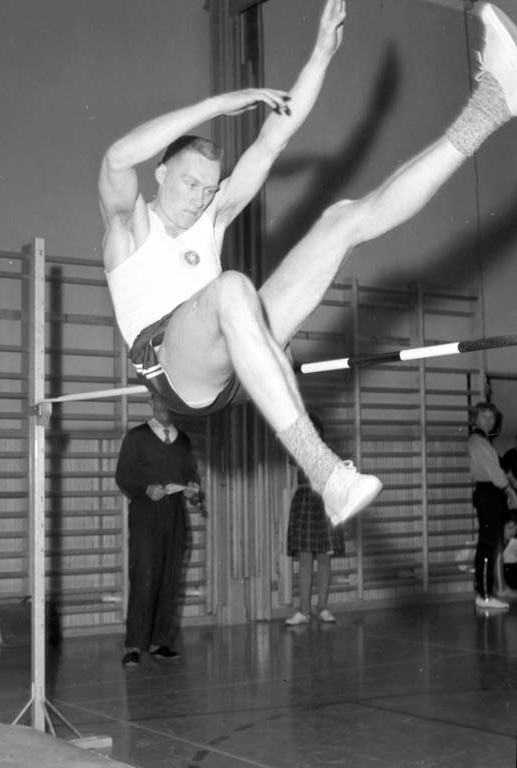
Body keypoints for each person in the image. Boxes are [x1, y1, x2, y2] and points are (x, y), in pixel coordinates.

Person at [98, 0, 517, 529]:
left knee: (342, 220)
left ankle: (492, 104)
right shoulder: (129, 227)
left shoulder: (212, 217)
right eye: (189, 183)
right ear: (160, 174)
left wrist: (320, 55)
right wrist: (218, 103)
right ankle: (326, 474)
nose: (201, 198)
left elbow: (274, 140)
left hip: (234, 353)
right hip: (172, 367)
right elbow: (116, 158)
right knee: (230, 288)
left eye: (209, 188)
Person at [115, 395, 201, 667]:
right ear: (151, 403)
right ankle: (134, 645)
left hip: (175, 518)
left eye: (169, 402)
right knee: (144, 577)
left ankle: (160, 642)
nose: (164, 406)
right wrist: (145, 488)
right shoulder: (137, 437)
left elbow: (190, 475)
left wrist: (193, 489)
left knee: (170, 579)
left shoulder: (183, 440)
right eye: (159, 401)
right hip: (145, 518)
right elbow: (123, 476)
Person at [284, 416, 345, 625]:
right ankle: (304, 610)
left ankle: (323, 608)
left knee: (324, 558)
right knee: (305, 559)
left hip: (325, 502)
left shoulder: (329, 453)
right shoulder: (297, 452)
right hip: (305, 501)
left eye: (315, 432)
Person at [466, 401, 517, 610]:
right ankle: (484, 595)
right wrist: (509, 489)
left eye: (491, 417)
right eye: (484, 416)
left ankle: (486, 592)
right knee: (488, 545)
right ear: (475, 419)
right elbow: (493, 472)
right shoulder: (478, 441)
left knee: (490, 544)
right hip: (488, 494)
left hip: (490, 494)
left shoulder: (482, 441)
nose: (488, 420)